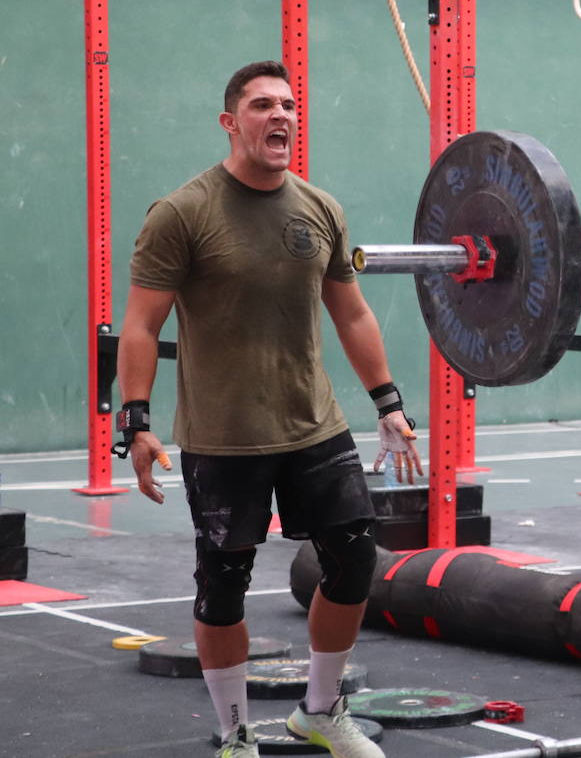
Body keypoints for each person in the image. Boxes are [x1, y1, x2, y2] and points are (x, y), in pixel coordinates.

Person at [115, 60, 423, 758]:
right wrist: (135, 421)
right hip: (224, 436)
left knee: (354, 557)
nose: (279, 115)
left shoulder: (320, 209)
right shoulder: (181, 212)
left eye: (288, 104)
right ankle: (234, 734)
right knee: (224, 583)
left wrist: (388, 402)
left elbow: (351, 314)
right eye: (261, 106)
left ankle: (319, 711)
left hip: (313, 423)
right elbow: (140, 326)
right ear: (231, 123)